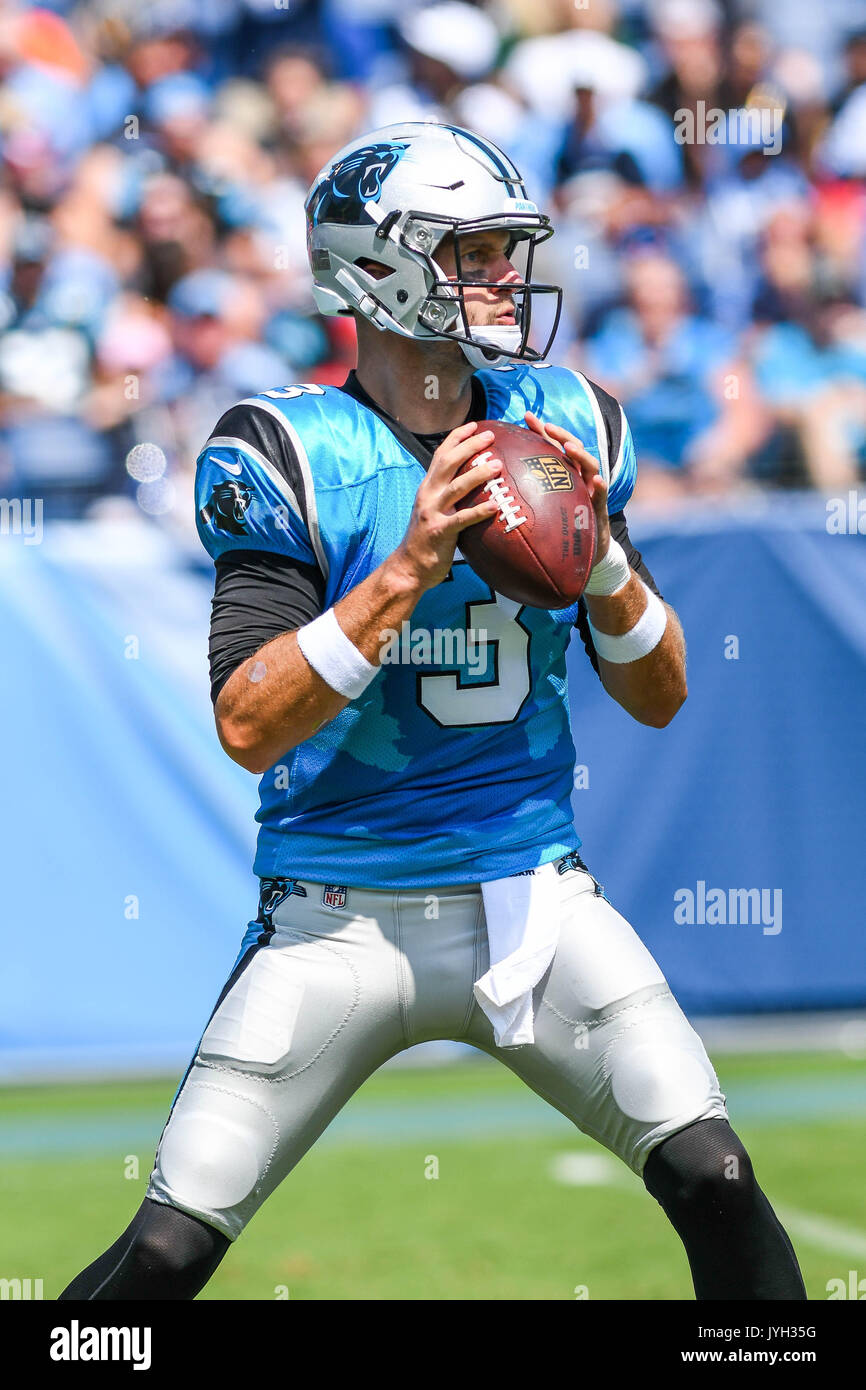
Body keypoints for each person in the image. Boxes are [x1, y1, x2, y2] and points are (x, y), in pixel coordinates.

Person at [60, 122, 806, 1302]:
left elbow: (658, 696)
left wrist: (601, 555)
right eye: (473, 250)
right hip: (334, 918)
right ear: (379, 267)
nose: (505, 275)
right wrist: (407, 561)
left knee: (714, 1175)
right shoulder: (284, 448)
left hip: (529, 899)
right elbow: (248, 723)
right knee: (163, 1249)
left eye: (509, 247)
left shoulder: (563, 421)